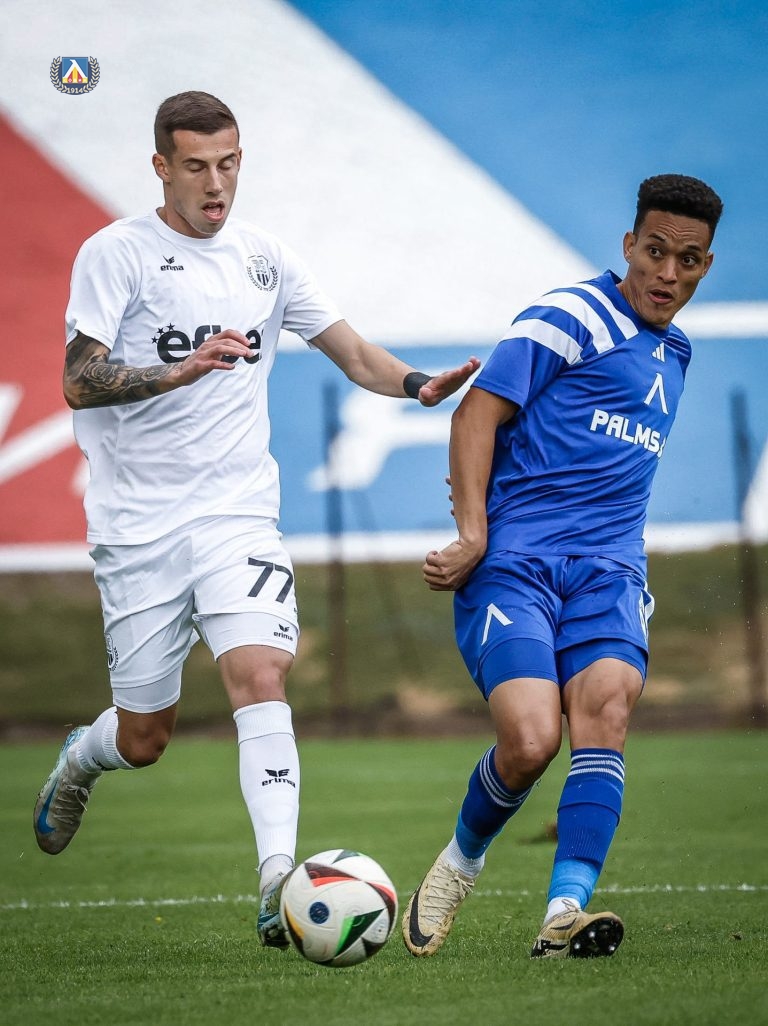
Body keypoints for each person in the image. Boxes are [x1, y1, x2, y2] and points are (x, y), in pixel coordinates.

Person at [32, 90, 480, 949]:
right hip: (137, 527)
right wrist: (179, 370)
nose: (216, 184)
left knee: (261, 673)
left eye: (229, 164)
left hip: (237, 513)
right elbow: (79, 380)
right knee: (145, 737)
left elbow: (354, 353)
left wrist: (416, 384)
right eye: (196, 166)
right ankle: (83, 757)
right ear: (161, 167)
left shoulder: (266, 259)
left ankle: (278, 882)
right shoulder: (116, 254)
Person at [402, 173, 723, 960]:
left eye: (687, 260)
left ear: (705, 266)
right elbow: (477, 413)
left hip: (609, 575)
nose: (668, 273)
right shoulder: (571, 314)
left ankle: (563, 915)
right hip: (516, 565)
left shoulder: (676, 355)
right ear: (628, 245)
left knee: (606, 713)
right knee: (531, 741)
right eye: (655, 252)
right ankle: (459, 863)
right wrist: (472, 534)